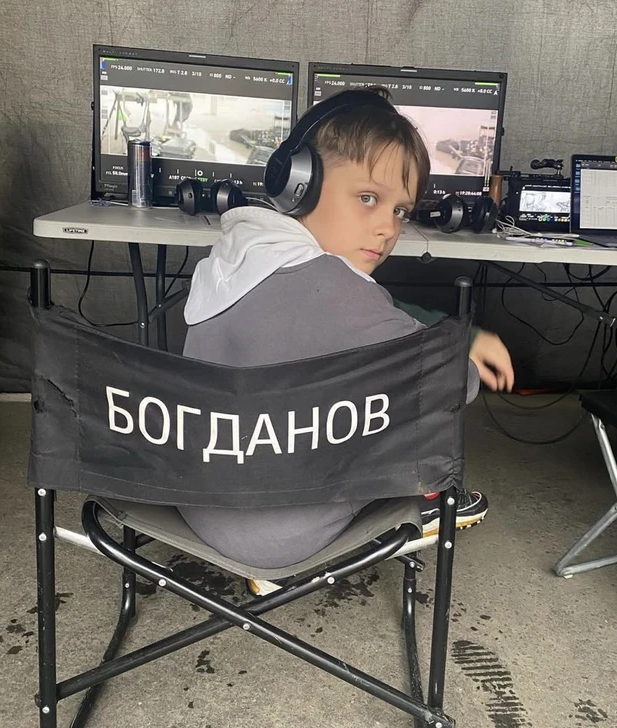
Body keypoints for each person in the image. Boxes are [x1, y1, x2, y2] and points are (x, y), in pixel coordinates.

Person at [179, 88, 514, 581]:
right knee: (410, 412)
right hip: (278, 535)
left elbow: (354, 314)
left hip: (196, 502)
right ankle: (427, 503)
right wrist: (464, 347)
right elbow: (453, 386)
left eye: (399, 211)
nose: (387, 229)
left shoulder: (233, 257)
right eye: (368, 198)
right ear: (301, 185)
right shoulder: (338, 293)